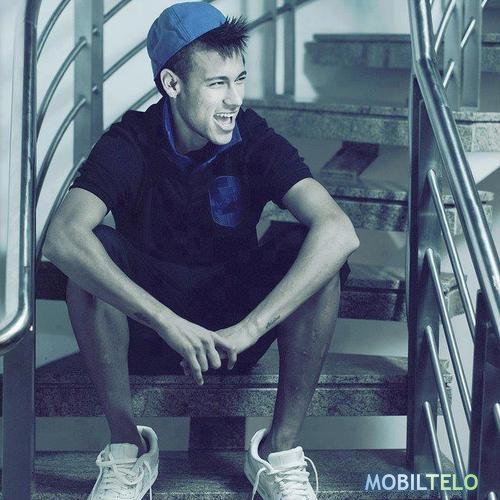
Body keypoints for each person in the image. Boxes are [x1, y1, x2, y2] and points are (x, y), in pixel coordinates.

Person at [43, 2, 359, 499]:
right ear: (172, 84)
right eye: (217, 84)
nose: (234, 99)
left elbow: (339, 230)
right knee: (90, 250)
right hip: (153, 333)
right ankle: (127, 448)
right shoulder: (130, 140)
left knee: (314, 252)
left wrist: (249, 328)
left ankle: (279, 452)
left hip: (235, 329)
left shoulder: (252, 136)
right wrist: (166, 321)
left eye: (240, 79)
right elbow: (61, 237)